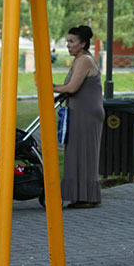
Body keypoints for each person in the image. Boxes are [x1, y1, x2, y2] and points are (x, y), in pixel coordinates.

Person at [53, 25, 104, 209]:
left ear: (82, 44)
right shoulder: (78, 60)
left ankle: (87, 196)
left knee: (85, 153)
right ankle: (79, 195)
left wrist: (49, 86)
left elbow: (72, 88)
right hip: (79, 111)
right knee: (76, 153)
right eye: (68, 41)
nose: (68, 45)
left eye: (72, 41)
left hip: (87, 113)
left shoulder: (84, 61)